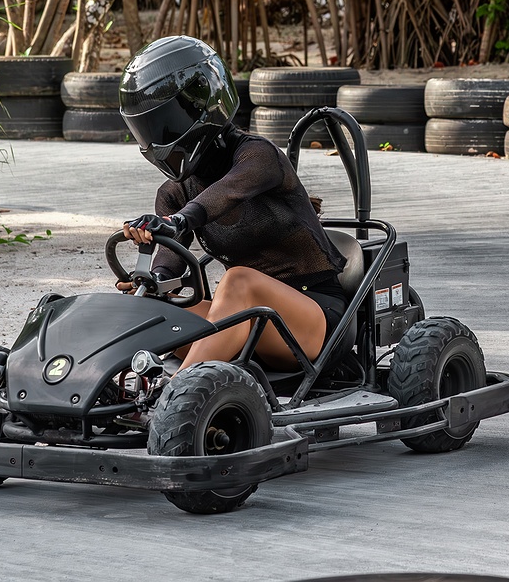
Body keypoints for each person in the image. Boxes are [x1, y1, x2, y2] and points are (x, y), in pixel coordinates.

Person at [116, 36, 348, 370]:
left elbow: (228, 192)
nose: (155, 137)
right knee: (149, 305)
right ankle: (109, 394)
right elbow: (168, 267)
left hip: (316, 320)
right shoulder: (174, 193)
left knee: (239, 279)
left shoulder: (258, 156)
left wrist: (177, 221)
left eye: (162, 123)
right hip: (248, 322)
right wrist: (149, 283)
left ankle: (175, 391)